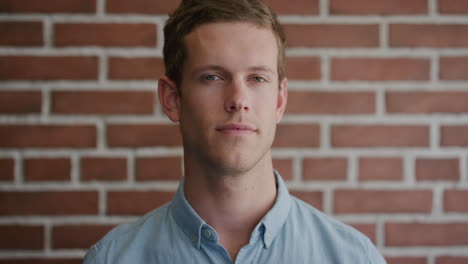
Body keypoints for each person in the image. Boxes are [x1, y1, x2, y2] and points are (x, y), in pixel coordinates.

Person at [83, 0, 387, 263]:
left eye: (256, 78)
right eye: (213, 77)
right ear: (172, 99)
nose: (238, 100)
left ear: (280, 101)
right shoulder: (113, 259)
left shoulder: (353, 258)